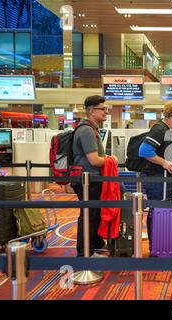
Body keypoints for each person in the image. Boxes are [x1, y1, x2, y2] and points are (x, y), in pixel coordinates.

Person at [72, 95, 118, 257]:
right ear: (91, 110)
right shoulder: (86, 130)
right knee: (89, 215)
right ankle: (84, 251)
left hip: (91, 179)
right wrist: (110, 159)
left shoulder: (91, 128)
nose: (106, 112)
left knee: (93, 213)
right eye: (102, 109)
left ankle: (95, 244)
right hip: (88, 180)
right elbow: (94, 160)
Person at [138, 101, 172, 200]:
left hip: (170, 178)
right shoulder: (159, 129)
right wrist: (164, 162)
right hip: (157, 179)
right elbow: (144, 151)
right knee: (160, 211)